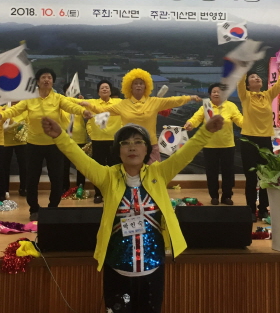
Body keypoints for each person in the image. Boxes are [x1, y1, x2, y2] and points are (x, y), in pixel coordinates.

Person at [41, 113, 223, 313]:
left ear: (146, 149)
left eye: (138, 142)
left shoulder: (159, 173)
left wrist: (206, 132)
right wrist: (60, 136)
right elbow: (80, 159)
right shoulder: (107, 177)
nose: (132, 147)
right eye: (125, 143)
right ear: (118, 151)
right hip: (117, 269)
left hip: (153, 269)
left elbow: (186, 153)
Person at [0, 68, 91, 221]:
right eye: (43, 77)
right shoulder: (29, 99)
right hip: (33, 145)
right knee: (32, 179)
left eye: (49, 77)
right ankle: (34, 209)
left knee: (56, 178)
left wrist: (83, 111)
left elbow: (71, 106)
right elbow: (15, 110)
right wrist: (1, 115)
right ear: (37, 81)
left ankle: (53, 207)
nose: (46, 80)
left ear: (53, 81)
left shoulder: (58, 98)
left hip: (55, 145)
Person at [81, 68, 200, 163]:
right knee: (131, 178)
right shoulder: (122, 104)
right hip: (129, 146)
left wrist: (190, 98)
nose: (138, 86)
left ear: (146, 86)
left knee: (153, 177)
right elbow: (102, 109)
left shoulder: (154, 101)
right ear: (130, 86)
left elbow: (173, 100)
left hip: (150, 146)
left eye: (141, 83)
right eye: (135, 83)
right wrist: (88, 105)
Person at [237, 57, 280, 220]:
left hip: (265, 141)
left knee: (266, 177)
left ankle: (263, 208)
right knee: (251, 177)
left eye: (258, 77)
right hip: (248, 140)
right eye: (252, 77)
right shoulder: (245, 96)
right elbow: (239, 83)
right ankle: (250, 209)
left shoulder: (267, 95)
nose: (257, 78)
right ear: (248, 85)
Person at [184, 82, 243, 205]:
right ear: (210, 94)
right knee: (211, 172)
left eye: (219, 92)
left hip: (227, 145)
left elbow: (240, 120)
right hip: (209, 145)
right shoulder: (206, 106)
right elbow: (196, 118)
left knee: (228, 173)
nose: (216, 94)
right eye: (214, 92)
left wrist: (249, 123)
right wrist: (190, 123)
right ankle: (214, 196)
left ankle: (227, 196)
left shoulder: (231, 106)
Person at [83, 80, 123, 203]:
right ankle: (98, 193)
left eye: (107, 87)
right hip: (98, 141)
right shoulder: (92, 103)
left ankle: (114, 192)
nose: (105, 89)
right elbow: (88, 122)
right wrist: (92, 134)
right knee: (98, 169)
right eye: (102, 88)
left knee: (114, 168)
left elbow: (125, 117)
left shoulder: (118, 102)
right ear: (98, 92)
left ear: (110, 91)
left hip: (114, 141)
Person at [3, 105, 28, 196]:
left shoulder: (26, 109)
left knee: (24, 166)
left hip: (22, 142)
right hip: (6, 141)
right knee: (4, 167)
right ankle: (4, 190)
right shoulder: (4, 109)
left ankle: (24, 188)